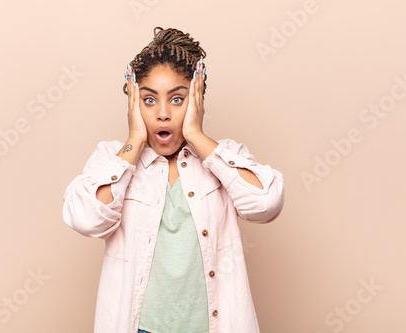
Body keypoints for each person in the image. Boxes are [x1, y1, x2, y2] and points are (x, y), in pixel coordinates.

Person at [62, 27, 285, 333]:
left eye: (178, 100)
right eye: (149, 100)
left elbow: (266, 204)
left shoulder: (224, 157)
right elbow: (86, 219)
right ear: (133, 103)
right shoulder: (111, 160)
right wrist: (134, 140)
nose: (163, 113)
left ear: (196, 101)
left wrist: (196, 135)